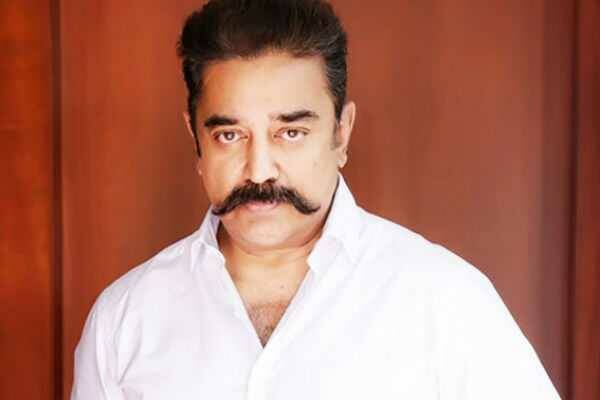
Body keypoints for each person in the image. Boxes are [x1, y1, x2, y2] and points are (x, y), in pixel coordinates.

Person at [71, 0, 561, 399]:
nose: (259, 170)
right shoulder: (124, 319)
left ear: (341, 133)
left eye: (290, 132)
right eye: (229, 135)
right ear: (195, 139)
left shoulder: (446, 300)